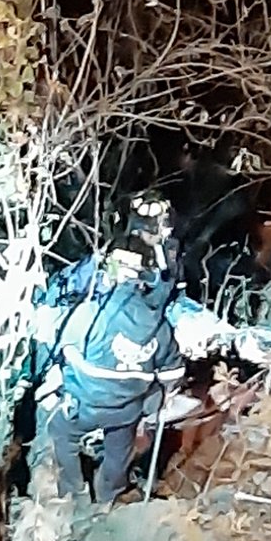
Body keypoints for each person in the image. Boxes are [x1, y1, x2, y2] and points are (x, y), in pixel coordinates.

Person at [46, 193, 187, 504]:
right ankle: (109, 495)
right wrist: (157, 399)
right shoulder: (157, 321)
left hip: (85, 403)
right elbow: (173, 370)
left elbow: (62, 346)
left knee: (60, 431)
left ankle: (72, 494)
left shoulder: (90, 312)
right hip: (126, 409)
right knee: (119, 448)